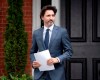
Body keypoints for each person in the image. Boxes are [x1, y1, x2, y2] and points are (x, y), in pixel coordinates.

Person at [30, 5, 73, 80]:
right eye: (48, 15)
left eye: (53, 15)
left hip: (56, 74)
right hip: (40, 74)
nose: (51, 18)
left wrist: (57, 59)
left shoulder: (62, 32)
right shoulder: (36, 33)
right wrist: (34, 63)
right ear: (42, 17)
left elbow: (69, 52)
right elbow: (32, 52)